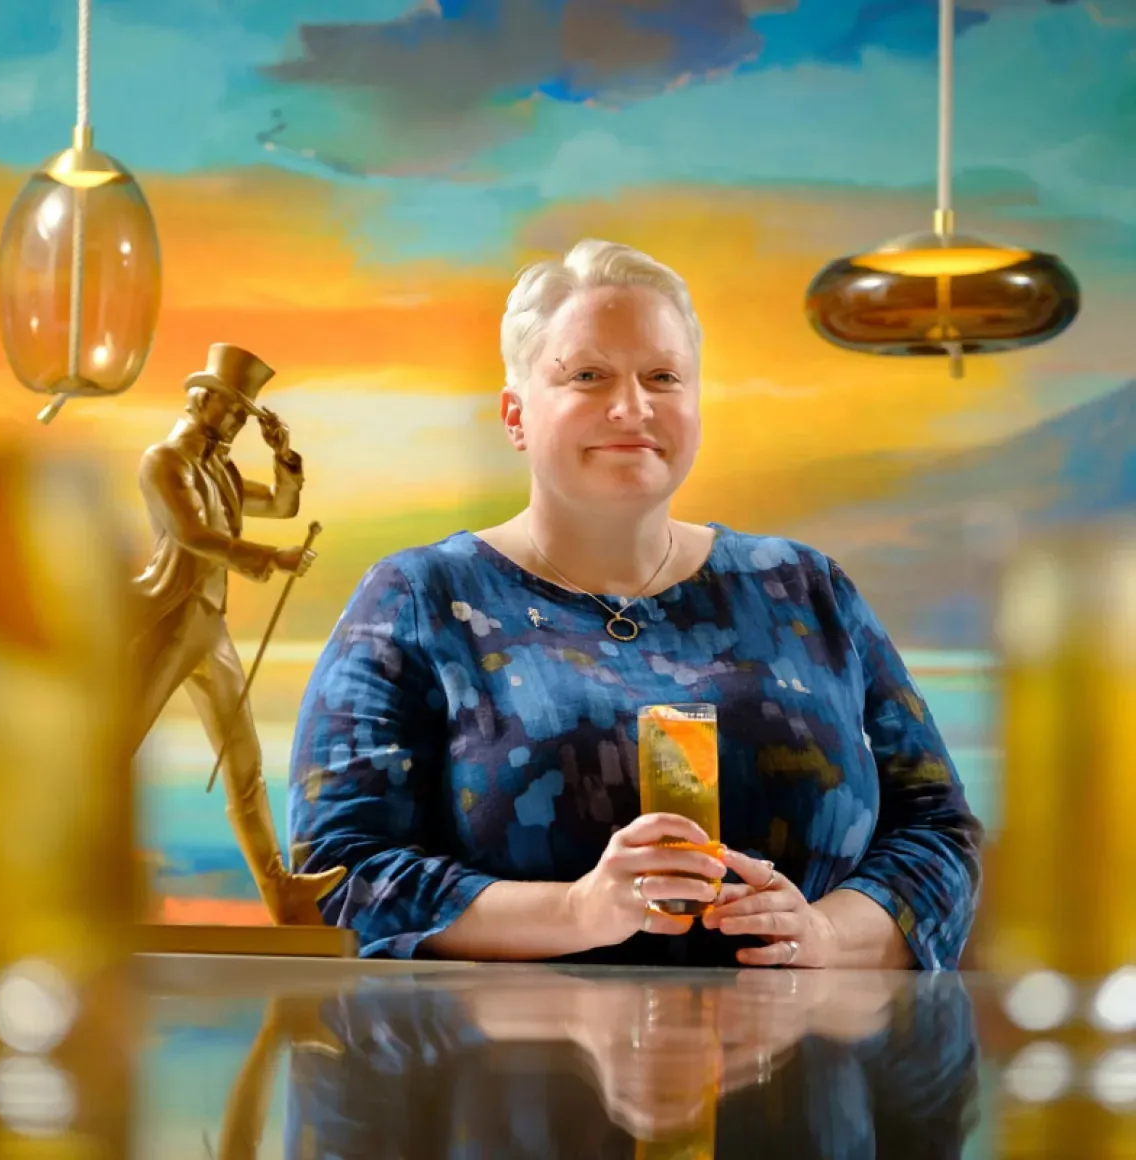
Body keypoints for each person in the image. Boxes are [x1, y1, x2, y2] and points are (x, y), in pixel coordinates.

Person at [287, 241, 983, 967]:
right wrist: (576, 911)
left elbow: (940, 833)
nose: (632, 407)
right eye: (588, 376)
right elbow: (338, 871)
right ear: (516, 415)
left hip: (806, 1067)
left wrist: (830, 933)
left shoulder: (806, 586)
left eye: (663, 377)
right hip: (517, 1072)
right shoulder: (416, 599)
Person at [131, 342, 345, 925]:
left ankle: (282, 893)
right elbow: (192, 534)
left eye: (244, 415)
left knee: (245, 766)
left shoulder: (220, 469)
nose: (235, 423)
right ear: (200, 398)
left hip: (210, 629)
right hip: (168, 622)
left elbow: (280, 504)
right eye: (231, 410)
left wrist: (284, 456)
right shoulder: (163, 461)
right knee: (114, 750)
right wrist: (270, 558)